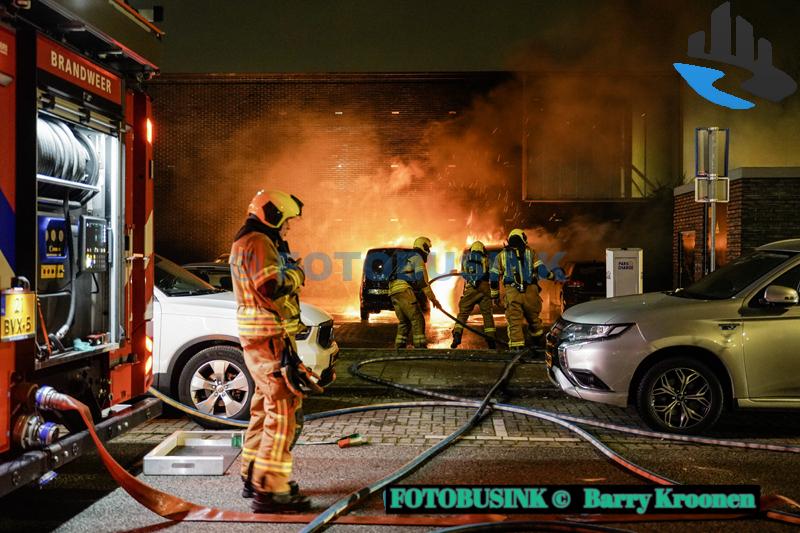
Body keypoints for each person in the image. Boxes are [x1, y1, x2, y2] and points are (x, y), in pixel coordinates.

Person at [230, 189, 310, 513]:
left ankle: (252, 475)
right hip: (268, 336)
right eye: (286, 221)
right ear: (273, 214)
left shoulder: (242, 241)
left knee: (263, 407)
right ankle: (271, 489)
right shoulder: (260, 242)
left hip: (254, 336)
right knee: (282, 411)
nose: (287, 228)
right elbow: (269, 286)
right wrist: (295, 274)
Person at [490, 229, 563, 351]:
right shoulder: (531, 253)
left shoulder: (501, 256)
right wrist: (553, 276)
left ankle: (517, 349)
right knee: (534, 320)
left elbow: (493, 277)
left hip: (513, 293)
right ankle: (537, 342)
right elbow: (542, 271)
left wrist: (495, 295)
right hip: (531, 293)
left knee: (514, 322)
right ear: (523, 238)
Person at [389, 236, 442, 349]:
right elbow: (422, 281)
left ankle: (399, 348)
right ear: (424, 247)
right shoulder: (417, 258)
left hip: (393, 291)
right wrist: (434, 299)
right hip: (404, 290)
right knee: (417, 319)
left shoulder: (406, 257)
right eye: (428, 248)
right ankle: (420, 347)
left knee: (404, 322)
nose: (428, 252)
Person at [451, 241, 496, 349]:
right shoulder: (486, 259)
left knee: (463, 314)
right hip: (484, 287)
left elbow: (464, 275)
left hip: (471, 288)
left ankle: (457, 335)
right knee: (487, 315)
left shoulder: (466, 259)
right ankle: (491, 341)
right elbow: (492, 273)